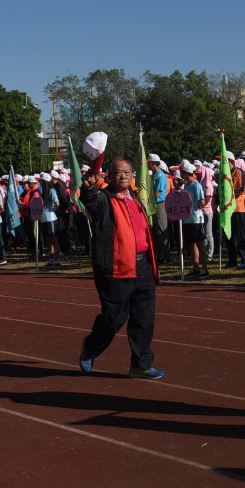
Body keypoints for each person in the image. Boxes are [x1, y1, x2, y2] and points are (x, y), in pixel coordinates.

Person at [77, 155, 165, 379]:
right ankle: (91, 346)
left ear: (133, 175)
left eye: (127, 171)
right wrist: (87, 189)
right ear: (109, 175)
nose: (123, 175)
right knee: (114, 317)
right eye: (118, 172)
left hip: (143, 266)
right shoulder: (103, 199)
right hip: (117, 268)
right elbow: (91, 202)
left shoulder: (135, 198)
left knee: (144, 319)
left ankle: (141, 364)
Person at [178, 162, 209, 280]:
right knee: (191, 244)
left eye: (182, 172)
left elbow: (202, 203)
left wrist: (190, 204)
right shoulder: (186, 186)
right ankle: (195, 268)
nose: (180, 173)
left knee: (200, 244)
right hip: (187, 218)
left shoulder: (196, 185)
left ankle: (205, 269)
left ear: (186, 173)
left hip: (196, 218)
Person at [146, 154, 170, 264]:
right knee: (155, 231)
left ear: (154, 163)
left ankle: (166, 257)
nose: (147, 164)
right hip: (153, 205)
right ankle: (159, 255)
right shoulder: (153, 176)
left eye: (149, 162)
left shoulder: (161, 176)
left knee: (162, 230)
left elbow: (156, 193)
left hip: (159, 204)